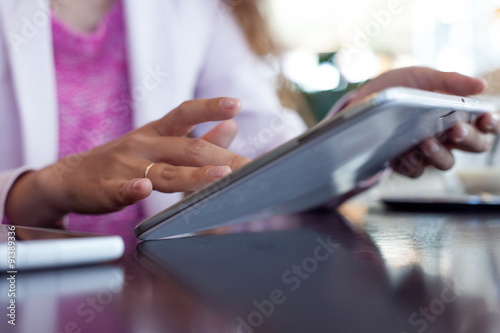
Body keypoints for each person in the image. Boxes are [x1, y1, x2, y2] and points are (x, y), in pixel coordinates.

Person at [0, 0, 497, 239]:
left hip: (151, 297)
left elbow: (264, 155)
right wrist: (38, 192)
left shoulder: (191, 10)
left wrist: (365, 122)